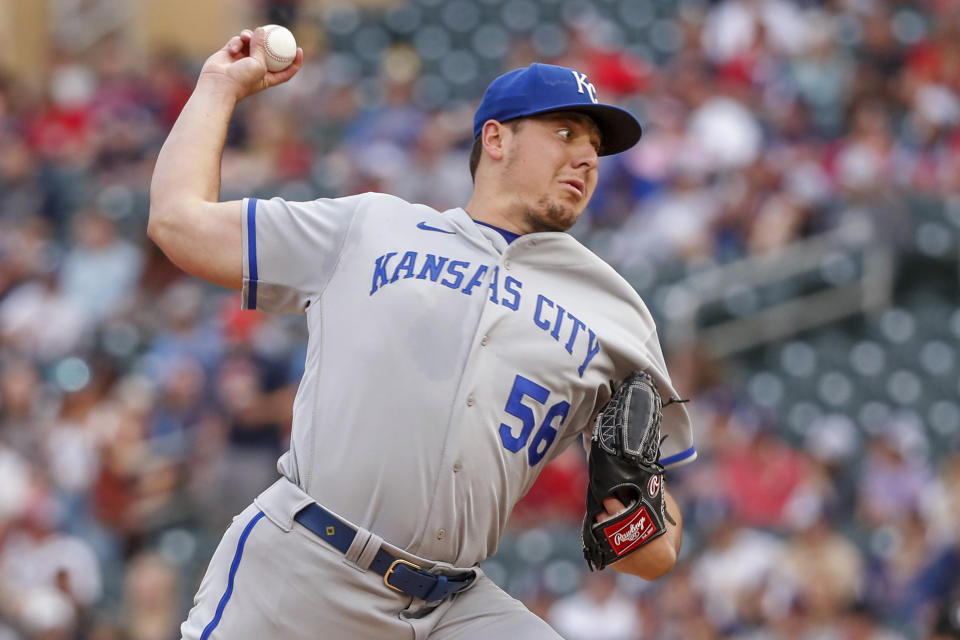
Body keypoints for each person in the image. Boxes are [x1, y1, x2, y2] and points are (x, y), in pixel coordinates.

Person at [148, 27, 696, 640]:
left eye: (595, 145)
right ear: (496, 138)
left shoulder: (615, 312)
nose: (587, 157)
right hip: (303, 570)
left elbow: (655, 554)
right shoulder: (372, 226)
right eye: (565, 133)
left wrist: (635, 516)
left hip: (451, 608)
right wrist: (219, 86)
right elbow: (178, 222)